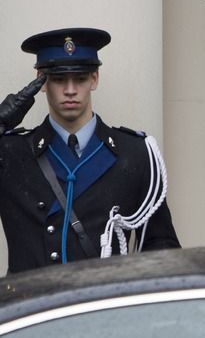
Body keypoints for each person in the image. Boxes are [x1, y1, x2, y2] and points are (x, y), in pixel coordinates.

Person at [0, 27, 180, 273]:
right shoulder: (11, 153)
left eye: (81, 78)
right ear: (41, 82)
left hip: (102, 307)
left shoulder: (136, 153)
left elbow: (161, 247)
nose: (71, 90)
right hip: (32, 307)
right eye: (59, 80)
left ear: (94, 79)